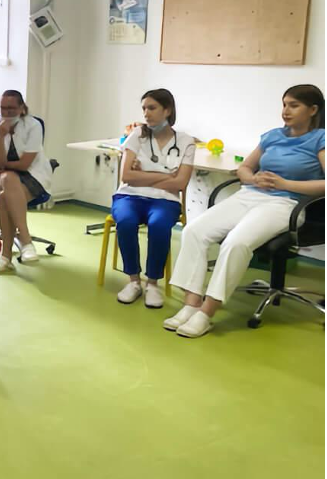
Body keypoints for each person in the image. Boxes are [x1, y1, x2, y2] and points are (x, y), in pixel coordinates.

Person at [165, 84, 325, 338]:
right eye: (284, 104)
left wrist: (285, 185)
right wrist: (252, 179)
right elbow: (245, 168)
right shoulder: (272, 135)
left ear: (313, 109)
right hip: (250, 195)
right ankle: (191, 304)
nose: (285, 111)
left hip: (287, 204)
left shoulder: (320, 139)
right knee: (194, 231)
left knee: (236, 243)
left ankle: (206, 313)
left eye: (294, 105)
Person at [110, 89, 195, 308]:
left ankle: (153, 284)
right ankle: (134, 281)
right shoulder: (137, 135)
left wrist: (143, 176)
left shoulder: (185, 141)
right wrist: (165, 175)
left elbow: (180, 184)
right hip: (129, 196)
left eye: (152, 108)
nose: (146, 114)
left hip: (165, 200)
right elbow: (126, 177)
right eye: (144, 108)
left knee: (159, 225)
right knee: (126, 223)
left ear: (167, 110)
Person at [0, 90, 53, 272]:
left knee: (4, 197)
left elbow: (25, 165)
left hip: (32, 175)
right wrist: (1, 135)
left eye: (11, 108)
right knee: (8, 178)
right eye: (3, 108)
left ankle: (6, 255)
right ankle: (26, 241)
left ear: (22, 108)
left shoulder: (33, 125)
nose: (6, 112)